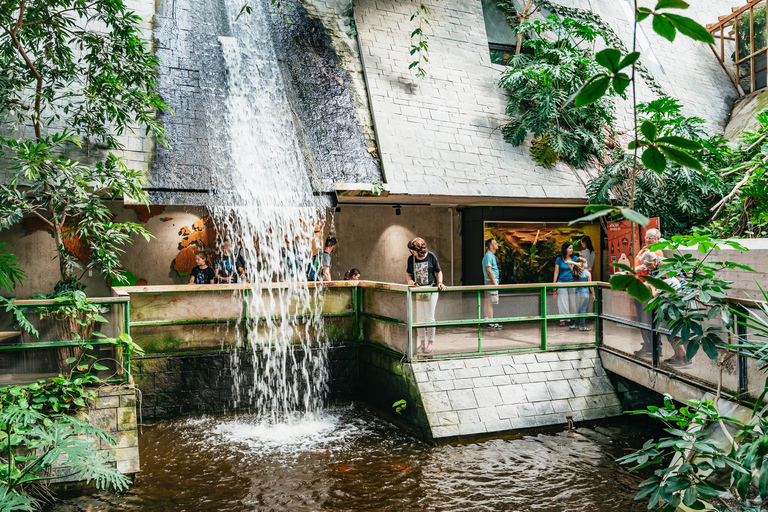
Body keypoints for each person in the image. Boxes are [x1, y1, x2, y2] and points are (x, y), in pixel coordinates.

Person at [406, 237, 447, 354]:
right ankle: (422, 342)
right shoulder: (411, 259)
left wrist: (440, 283)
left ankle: (430, 342)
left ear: (417, 250)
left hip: (431, 288)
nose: (411, 253)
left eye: (412, 250)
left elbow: (438, 271)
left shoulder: (431, 256)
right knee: (419, 317)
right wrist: (410, 282)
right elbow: (408, 274)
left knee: (429, 316)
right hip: (418, 290)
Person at [633, 228, 665, 357]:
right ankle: (647, 345)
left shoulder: (656, 251)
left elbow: (646, 268)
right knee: (642, 319)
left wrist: (633, 270)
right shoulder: (643, 250)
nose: (648, 239)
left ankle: (656, 347)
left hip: (648, 290)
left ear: (657, 239)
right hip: (639, 289)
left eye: (651, 237)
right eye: (646, 237)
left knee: (650, 319)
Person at [553, 241, 577, 327]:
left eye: (572, 248)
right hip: (561, 282)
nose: (571, 250)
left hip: (572, 282)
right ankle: (563, 319)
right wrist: (554, 284)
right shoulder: (559, 259)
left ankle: (573, 318)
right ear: (565, 249)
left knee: (573, 301)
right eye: (569, 248)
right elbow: (556, 272)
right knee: (562, 301)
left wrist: (571, 264)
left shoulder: (574, 259)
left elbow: (577, 271)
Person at [482, 238, 502, 329]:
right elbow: (489, 270)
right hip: (491, 281)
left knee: (487, 301)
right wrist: (494, 283)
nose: (497, 244)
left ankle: (487, 320)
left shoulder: (490, 255)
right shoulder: (489, 256)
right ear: (491, 246)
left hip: (490, 281)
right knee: (490, 302)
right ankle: (491, 321)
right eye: (495, 243)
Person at [571, 256, 592, 331]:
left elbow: (568, 262)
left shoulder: (576, 272)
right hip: (585, 292)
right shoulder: (587, 273)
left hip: (577, 292)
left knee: (578, 309)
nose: (587, 263)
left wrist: (575, 264)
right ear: (582, 264)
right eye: (586, 262)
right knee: (583, 309)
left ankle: (576, 324)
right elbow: (590, 285)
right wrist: (594, 294)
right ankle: (582, 326)